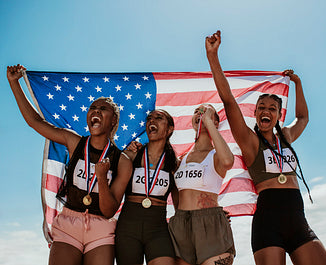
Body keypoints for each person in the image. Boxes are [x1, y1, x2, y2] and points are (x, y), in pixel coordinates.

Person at [205, 31, 326, 265]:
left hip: (298, 221)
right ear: (254, 114)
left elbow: (303, 117)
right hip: (268, 223)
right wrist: (213, 56)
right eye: (261, 107)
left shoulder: (286, 136)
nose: (266, 111)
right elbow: (229, 101)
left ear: (278, 115)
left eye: (272, 108)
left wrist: (298, 83)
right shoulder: (250, 142)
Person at [7, 64, 133, 265]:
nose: (96, 111)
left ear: (113, 120)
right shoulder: (74, 142)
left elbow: (110, 211)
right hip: (68, 224)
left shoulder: (123, 161)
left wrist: (101, 177)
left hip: (101, 228)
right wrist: (15, 83)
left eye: (103, 109)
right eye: (93, 107)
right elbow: (35, 122)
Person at [168, 104, 236, 265]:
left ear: (216, 123)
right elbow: (176, 195)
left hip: (210, 225)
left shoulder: (216, 156)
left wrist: (209, 122)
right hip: (181, 225)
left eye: (206, 111)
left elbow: (228, 161)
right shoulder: (180, 159)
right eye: (196, 112)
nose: (200, 113)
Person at [115, 109, 178, 265]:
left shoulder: (174, 165)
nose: (152, 121)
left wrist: (210, 209)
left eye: (159, 118)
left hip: (158, 229)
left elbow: (182, 204)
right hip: (128, 226)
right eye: (149, 118)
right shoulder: (132, 154)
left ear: (169, 129)